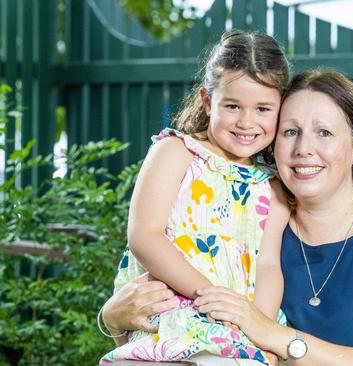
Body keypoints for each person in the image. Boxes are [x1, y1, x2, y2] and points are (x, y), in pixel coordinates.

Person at [102, 69, 353, 365]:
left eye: (324, 132)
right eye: (290, 132)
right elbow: (180, 340)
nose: (303, 148)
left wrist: (272, 334)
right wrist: (114, 321)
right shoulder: (247, 233)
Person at [98, 31, 291, 365]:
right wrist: (209, 296)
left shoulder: (272, 187)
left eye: (263, 108)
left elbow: (269, 264)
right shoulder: (176, 152)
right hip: (172, 309)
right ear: (206, 100)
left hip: (236, 324)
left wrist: (261, 328)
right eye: (232, 106)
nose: (246, 121)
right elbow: (144, 235)